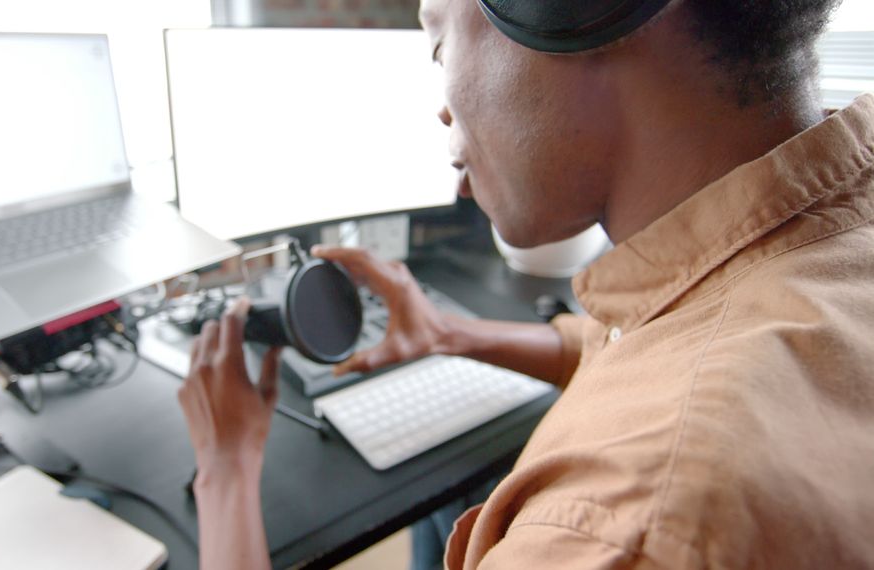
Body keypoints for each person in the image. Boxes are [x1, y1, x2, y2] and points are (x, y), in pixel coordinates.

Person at [176, 0, 874, 566]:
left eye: (439, 49)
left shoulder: (622, 532)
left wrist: (227, 471)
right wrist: (449, 332)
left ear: (565, 11)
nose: (442, 109)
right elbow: (635, 354)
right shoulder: (820, 232)